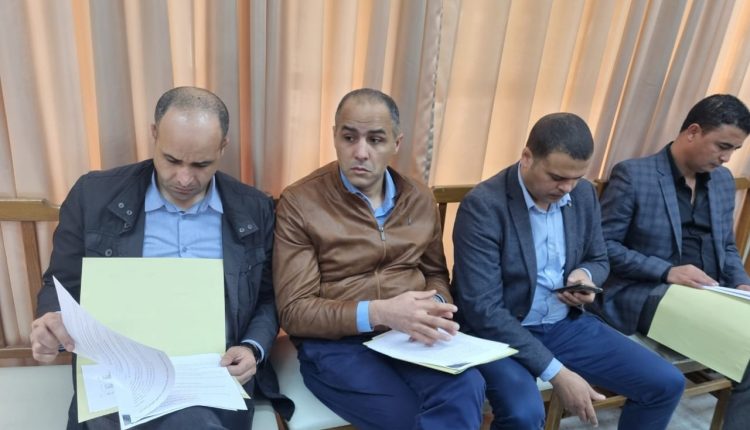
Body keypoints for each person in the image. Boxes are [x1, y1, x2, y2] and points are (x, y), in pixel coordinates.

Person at [29, 86, 291, 430]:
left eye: (201, 164)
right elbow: (61, 282)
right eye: (171, 160)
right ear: (154, 134)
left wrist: (252, 348)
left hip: (212, 371)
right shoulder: (94, 196)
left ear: (223, 147)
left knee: (193, 422)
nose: (184, 178)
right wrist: (53, 321)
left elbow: (268, 298)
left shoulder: (253, 209)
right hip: (119, 366)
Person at [452, 113, 685, 429]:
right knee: (524, 414)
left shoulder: (583, 193)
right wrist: (557, 372)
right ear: (527, 157)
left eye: (577, 177)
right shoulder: (484, 205)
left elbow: (599, 258)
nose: (567, 188)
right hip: (500, 334)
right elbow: (483, 309)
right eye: (557, 177)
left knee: (666, 383)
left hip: (564, 324)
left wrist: (585, 276)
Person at [273, 88, 485, 429]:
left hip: (409, 336)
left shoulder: (418, 197)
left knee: (468, 385)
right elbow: (295, 311)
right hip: (338, 346)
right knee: (409, 418)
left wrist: (432, 306)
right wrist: (380, 312)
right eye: (349, 138)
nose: (361, 152)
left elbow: (435, 274)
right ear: (335, 137)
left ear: (396, 143)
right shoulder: (300, 202)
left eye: (375, 140)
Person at [599, 94, 750, 430]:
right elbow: (603, 247)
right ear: (693, 132)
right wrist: (666, 271)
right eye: (722, 146)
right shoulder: (634, 175)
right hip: (648, 291)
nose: (726, 158)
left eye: (734, 150)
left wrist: (741, 283)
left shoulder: (722, 181)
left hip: (713, 293)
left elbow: (726, 246)